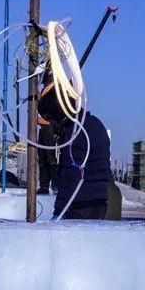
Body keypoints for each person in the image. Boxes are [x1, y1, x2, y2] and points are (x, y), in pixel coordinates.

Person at [38, 88, 111, 219]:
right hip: (99, 201)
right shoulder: (95, 123)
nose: (50, 124)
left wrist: (58, 212)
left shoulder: (74, 134)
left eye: (49, 119)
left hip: (79, 205)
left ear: (58, 113)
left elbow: (70, 176)